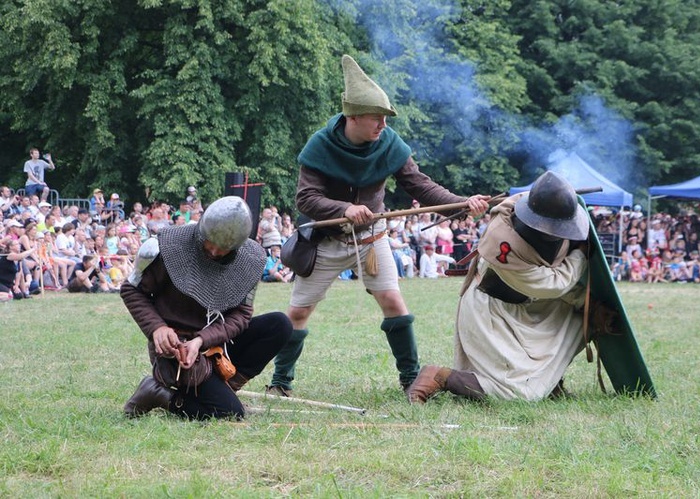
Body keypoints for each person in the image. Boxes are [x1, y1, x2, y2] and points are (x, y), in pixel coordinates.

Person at [265, 54, 488, 397]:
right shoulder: (319, 145)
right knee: (298, 311)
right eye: (376, 119)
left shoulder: (389, 143)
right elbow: (306, 199)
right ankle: (280, 384)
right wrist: (344, 208)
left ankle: (411, 379)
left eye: (385, 119)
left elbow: (420, 185)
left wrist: (463, 205)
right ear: (352, 117)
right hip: (325, 240)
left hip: (372, 238)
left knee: (393, 302)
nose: (382, 126)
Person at [407, 171, 592, 403]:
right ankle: (440, 377)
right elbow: (555, 284)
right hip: (492, 310)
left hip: (527, 307)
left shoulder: (522, 202)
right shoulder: (505, 248)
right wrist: (581, 255)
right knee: (516, 393)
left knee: (576, 321)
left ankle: (551, 381)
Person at [121, 196, 293, 420]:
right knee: (230, 414)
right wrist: (157, 328)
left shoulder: (250, 260)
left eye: (223, 248)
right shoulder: (167, 247)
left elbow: (242, 315)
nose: (213, 251)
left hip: (218, 342)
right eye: (209, 242)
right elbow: (131, 290)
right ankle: (158, 393)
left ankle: (226, 387)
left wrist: (202, 339)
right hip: (178, 349)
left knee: (280, 324)